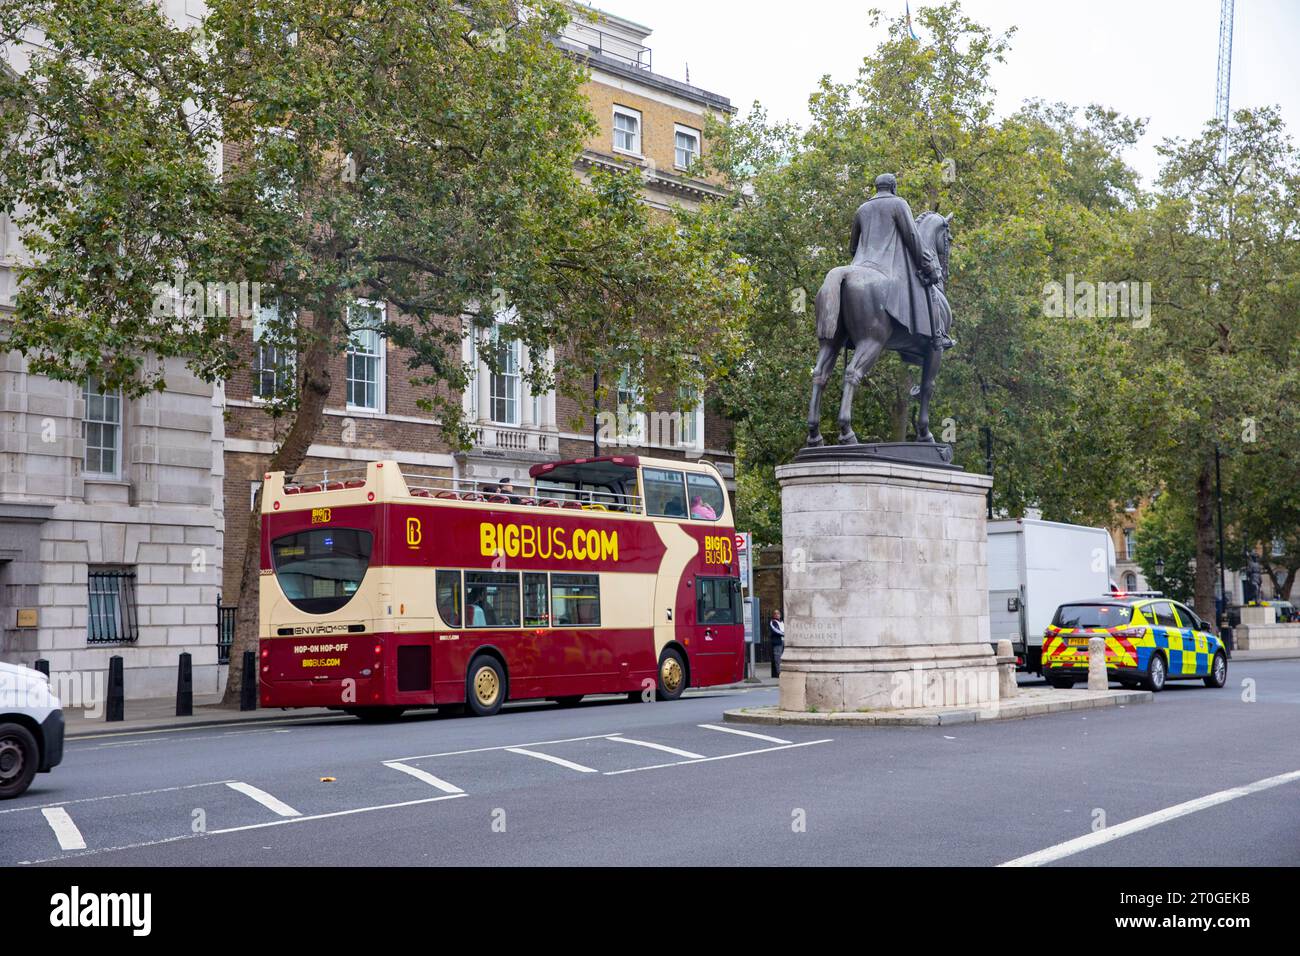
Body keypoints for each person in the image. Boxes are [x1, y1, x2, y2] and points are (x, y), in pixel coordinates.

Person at [768, 608, 785, 678]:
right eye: (775, 613)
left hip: (784, 641)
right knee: (778, 658)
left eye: (778, 613)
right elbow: (775, 630)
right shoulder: (773, 622)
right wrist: (784, 634)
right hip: (778, 642)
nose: (777, 615)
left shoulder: (782, 622)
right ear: (773, 615)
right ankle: (779, 672)